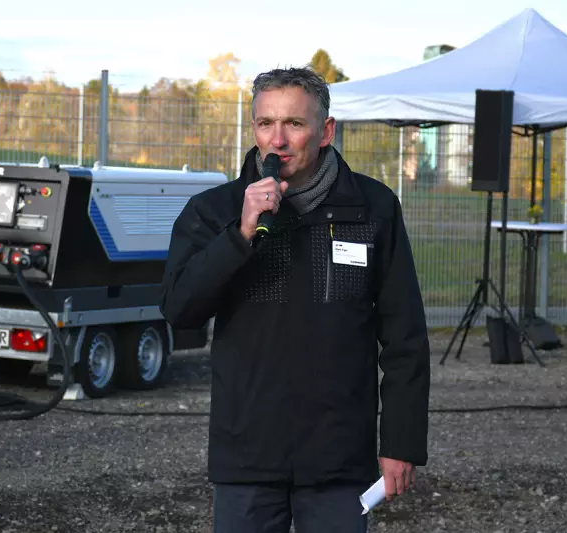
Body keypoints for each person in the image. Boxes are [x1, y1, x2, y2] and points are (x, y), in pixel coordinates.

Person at [160, 67, 431, 533]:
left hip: (338, 458)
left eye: (294, 124)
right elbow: (180, 308)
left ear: (325, 131)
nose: (278, 140)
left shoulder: (373, 207)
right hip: (247, 455)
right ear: (253, 128)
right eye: (266, 123)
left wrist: (402, 443)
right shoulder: (215, 210)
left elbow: (405, 335)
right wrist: (240, 235)